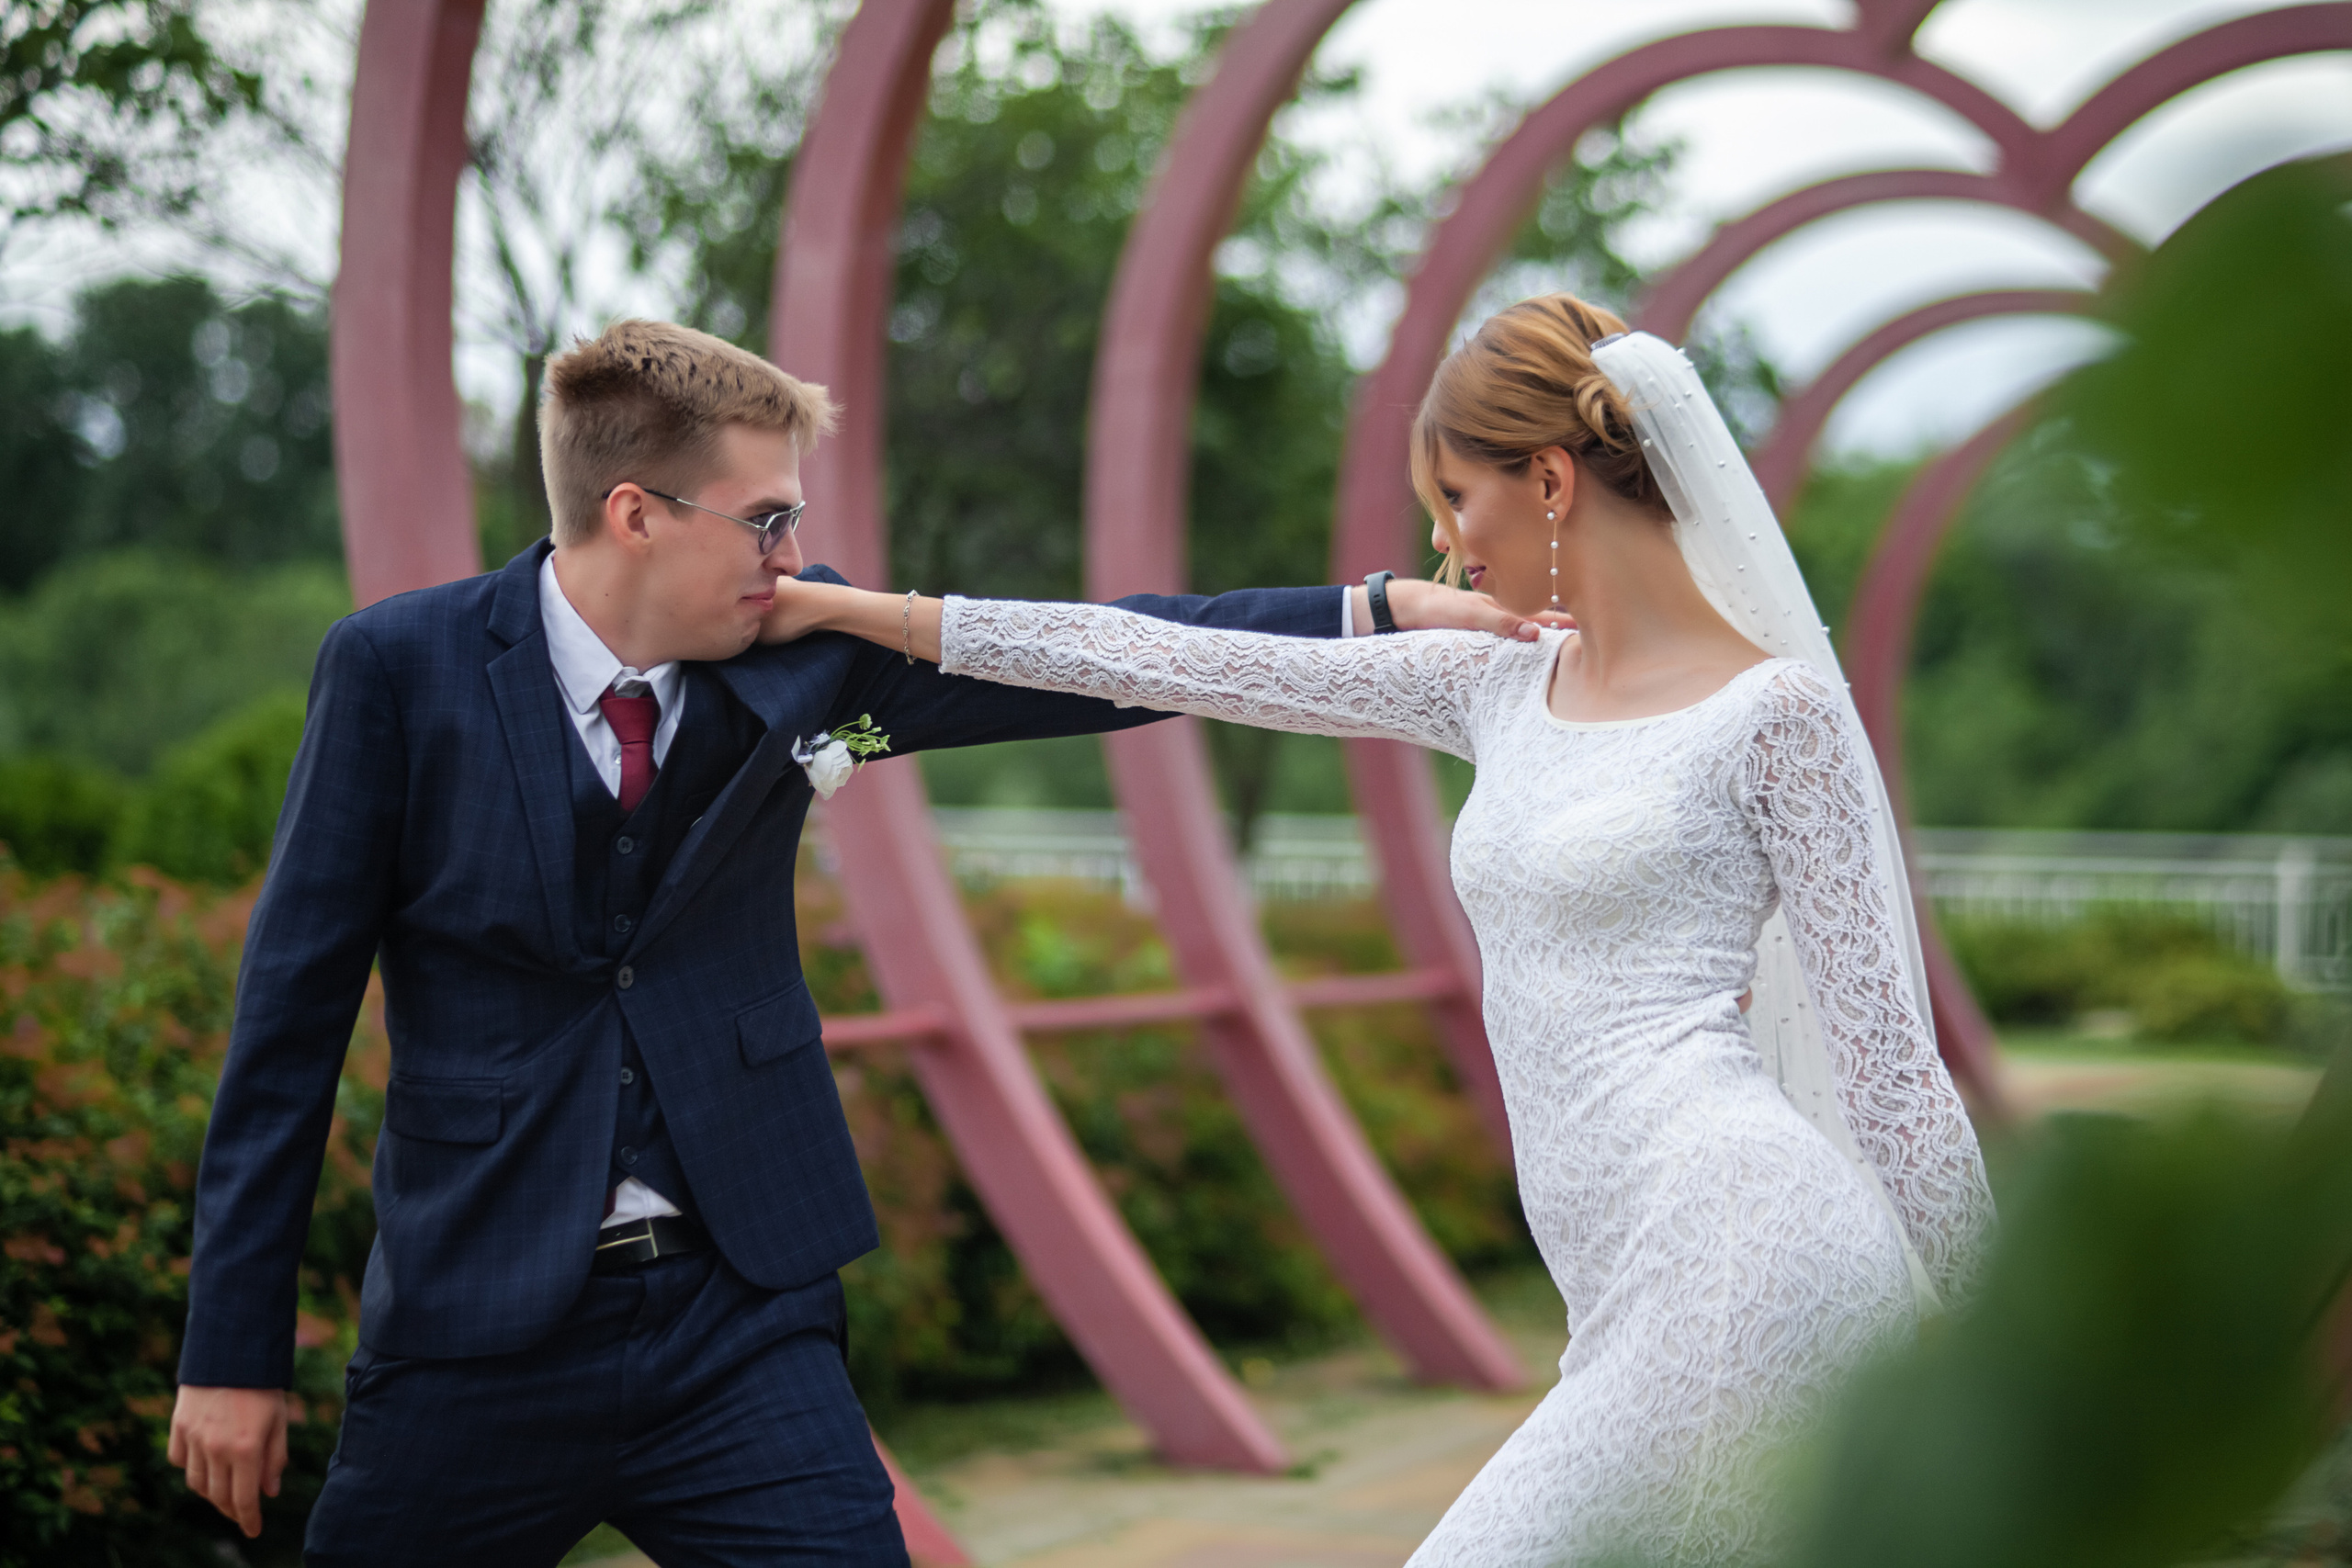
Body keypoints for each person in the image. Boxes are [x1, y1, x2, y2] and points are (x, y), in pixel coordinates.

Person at [165, 318, 1548, 1566]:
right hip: (475, 1323)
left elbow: (1108, 656)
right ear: (634, 512)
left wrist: (1371, 611)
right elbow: (287, 1024)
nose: (790, 555)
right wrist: (230, 1355)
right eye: (765, 519)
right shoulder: (398, 670)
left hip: (741, 1318)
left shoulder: (806, 652)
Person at [766, 295, 1997, 1565]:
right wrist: (873, 617)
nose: (1444, 541)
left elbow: (1897, 1081)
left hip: (1739, 1239)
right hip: (1617, 1287)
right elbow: (1151, 658)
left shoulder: (1777, 717)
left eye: (1459, 497)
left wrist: (2029, 1382)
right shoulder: (1497, 683)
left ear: (1554, 482)